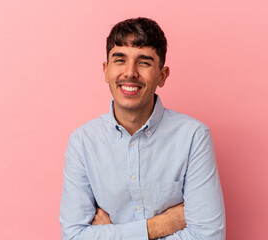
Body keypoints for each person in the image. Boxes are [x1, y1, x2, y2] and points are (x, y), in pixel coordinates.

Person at [59, 17, 225, 240]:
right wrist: (161, 225)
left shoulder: (194, 137)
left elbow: (209, 236)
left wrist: (108, 233)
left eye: (144, 62)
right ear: (106, 71)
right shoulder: (82, 142)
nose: (130, 72)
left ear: (162, 75)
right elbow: (72, 237)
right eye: (120, 60)